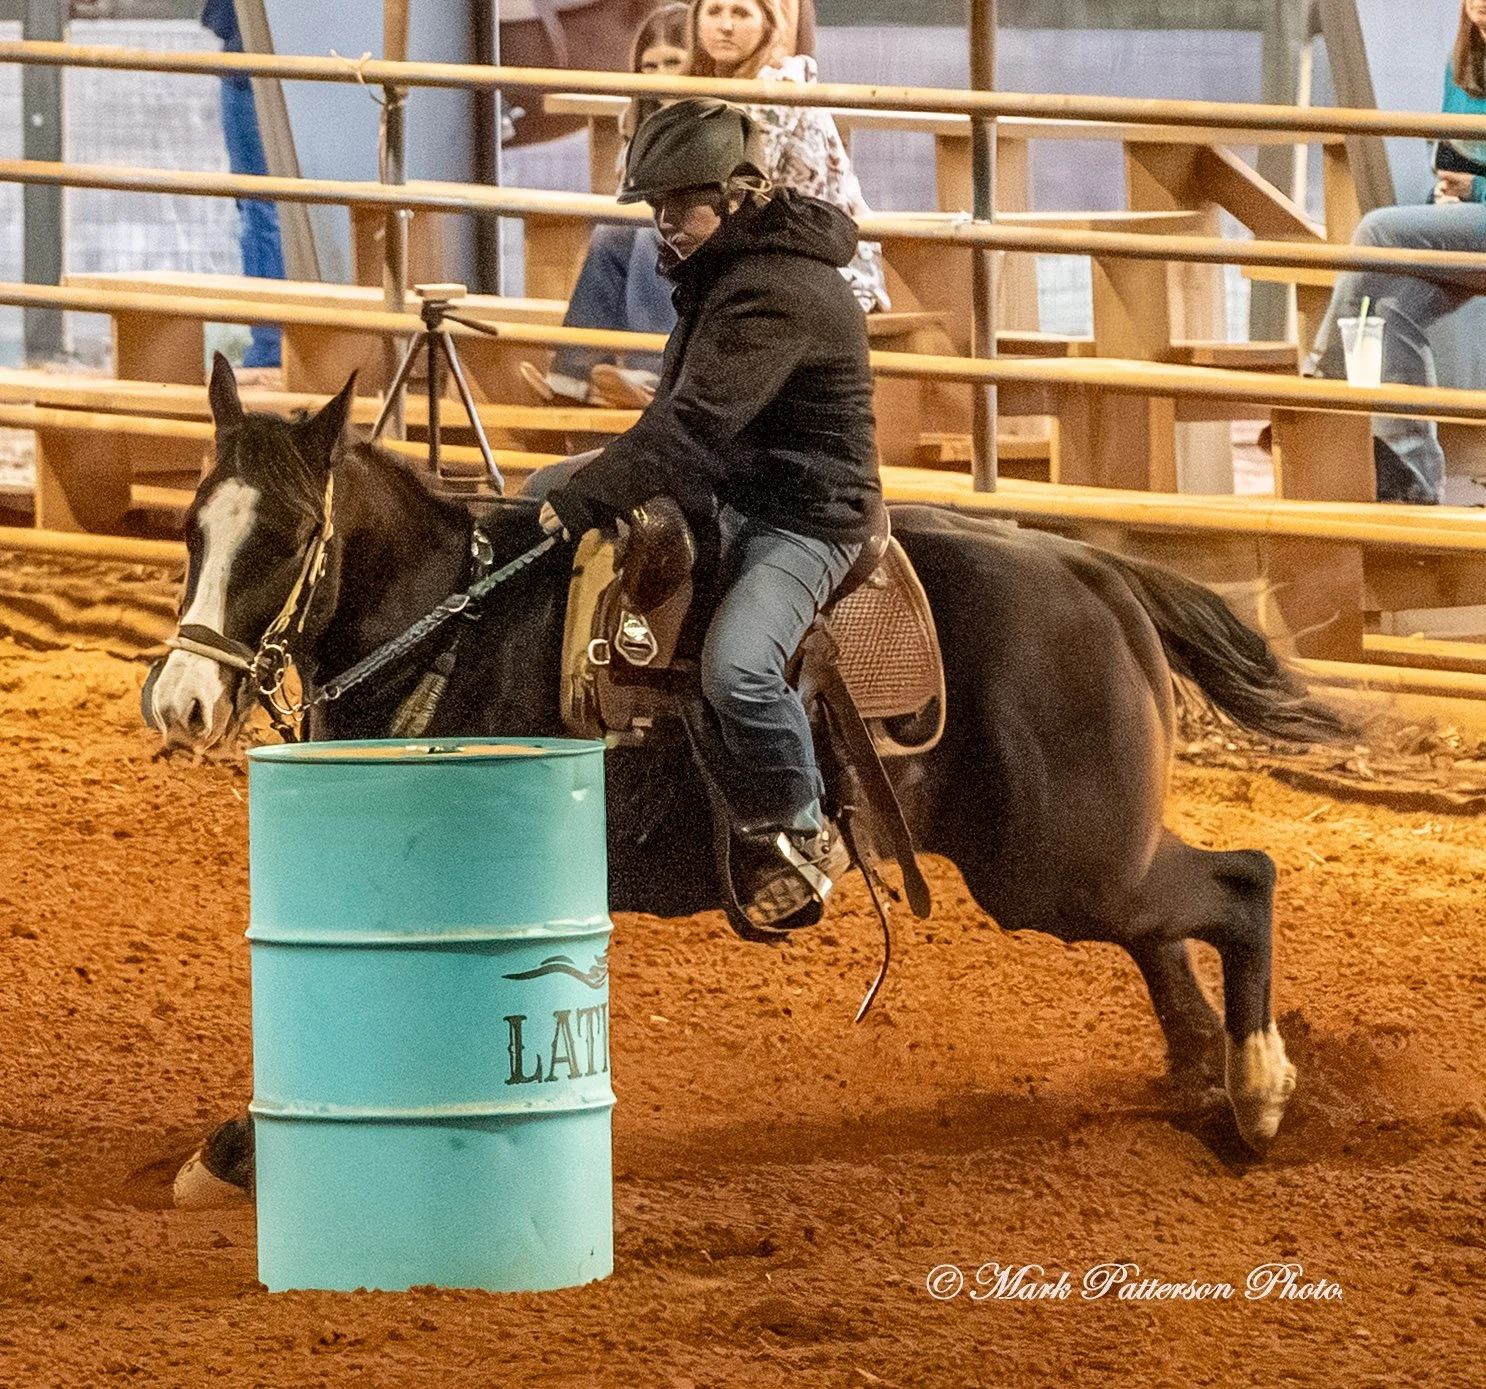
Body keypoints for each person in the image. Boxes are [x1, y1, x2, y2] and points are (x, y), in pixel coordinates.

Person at [530, 99, 881, 929]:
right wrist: (568, 489)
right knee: (536, 483)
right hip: (737, 490)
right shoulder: (723, 268)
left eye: (679, 206)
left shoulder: (775, 293)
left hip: (808, 517)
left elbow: (688, 430)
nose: (664, 224)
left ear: (738, 195)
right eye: (654, 207)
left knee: (738, 670)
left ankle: (803, 827)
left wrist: (586, 499)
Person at [1302, 0, 1486, 503]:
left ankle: (1323, 376)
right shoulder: (1462, 66)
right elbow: (1448, 149)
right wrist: (1443, 198)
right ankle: (1414, 480)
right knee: (1389, 311)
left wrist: (1476, 193)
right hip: (1470, 224)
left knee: (1378, 229)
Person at [521, 3, 691, 409]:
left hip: (699, 241)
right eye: (649, 66)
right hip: (665, 234)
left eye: (673, 63)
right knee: (613, 229)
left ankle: (649, 370)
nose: (660, 76)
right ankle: (573, 375)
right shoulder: (639, 125)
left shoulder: (711, 118)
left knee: (652, 229)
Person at [201, 0, 286, 370]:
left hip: (249, 66)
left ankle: (269, 343)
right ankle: (272, 341)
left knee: (259, 207)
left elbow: (220, 20)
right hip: (264, 59)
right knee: (265, 207)